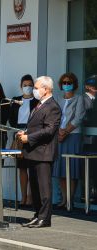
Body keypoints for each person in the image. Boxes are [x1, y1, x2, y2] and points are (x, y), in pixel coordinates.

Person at [17, 76, 61, 228]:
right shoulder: (39, 104)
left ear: (46, 89)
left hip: (43, 153)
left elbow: (49, 130)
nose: (34, 90)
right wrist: (24, 133)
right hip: (33, 152)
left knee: (44, 188)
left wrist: (29, 137)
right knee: (35, 187)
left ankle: (45, 218)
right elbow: (36, 126)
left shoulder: (52, 106)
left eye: (36, 87)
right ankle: (38, 214)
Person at [52, 73, 85, 208]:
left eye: (69, 82)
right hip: (59, 136)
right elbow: (55, 117)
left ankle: (70, 201)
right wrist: (59, 132)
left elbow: (78, 118)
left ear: (74, 84)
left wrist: (65, 131)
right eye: (64, 82)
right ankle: (64, 200)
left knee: (72, 169)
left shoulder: (79, 99)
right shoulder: (58, 99)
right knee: (61, 169)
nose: (66, 84)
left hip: (73, 136)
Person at [9, 74, 39, 206]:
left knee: (32, 167)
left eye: (30, 85)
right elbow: (11, 118)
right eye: (25, 85)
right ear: (21, 87)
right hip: (18, 134)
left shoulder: (37, 101)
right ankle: (23, 197)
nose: (27, 87)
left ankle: (31, 196)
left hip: (31, 134)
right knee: (22, 168)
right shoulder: (16, 100)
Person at [83, 75, 97, 203]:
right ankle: (89, 193)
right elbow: (84, 118)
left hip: (95, 138)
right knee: (89, 167)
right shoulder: (83, 100)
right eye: (92, 85)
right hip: (88, 139)